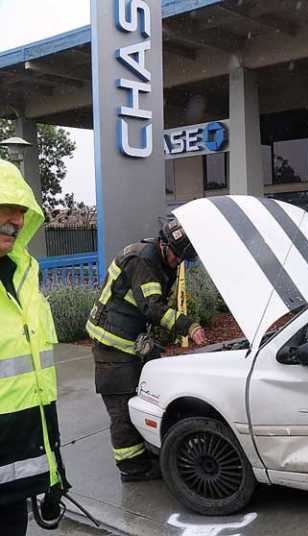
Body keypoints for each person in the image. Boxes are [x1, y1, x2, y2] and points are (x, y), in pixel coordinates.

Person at [86, 218, 206, 482]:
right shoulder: (144, 261)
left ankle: (143, 453)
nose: (178, 262)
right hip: (111, 343)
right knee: (121, 407)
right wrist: (188, 326)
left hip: (129, 339)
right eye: (177, 256)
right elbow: (152, 307)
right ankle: (132, 467)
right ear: (164, 244)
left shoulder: (163, 260)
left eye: (182, 259)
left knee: (142, 398)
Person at [0, 160, 69, 535]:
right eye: (5, 208)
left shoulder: (26, 276)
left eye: (21, 211)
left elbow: (36, 381)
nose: (16, 220)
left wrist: (53, 470)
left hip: (21, 467)